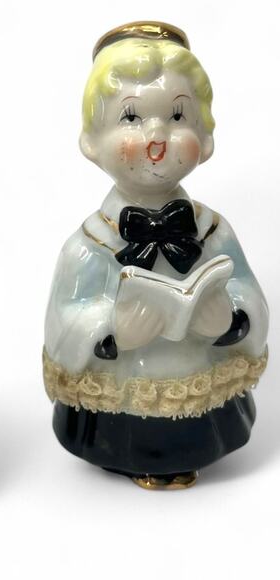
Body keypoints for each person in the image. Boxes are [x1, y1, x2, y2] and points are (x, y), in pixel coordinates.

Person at [43, 23, 268, 489]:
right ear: (92, 142)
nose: (156, 136)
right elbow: (62, 323)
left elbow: (250, 295)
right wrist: (111, 331)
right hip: (118, 409)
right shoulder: (89, 246)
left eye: (178, 116)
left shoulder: (214, 232)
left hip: (205, 402)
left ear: (206, 138)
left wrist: (230, 321)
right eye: (131, 118)